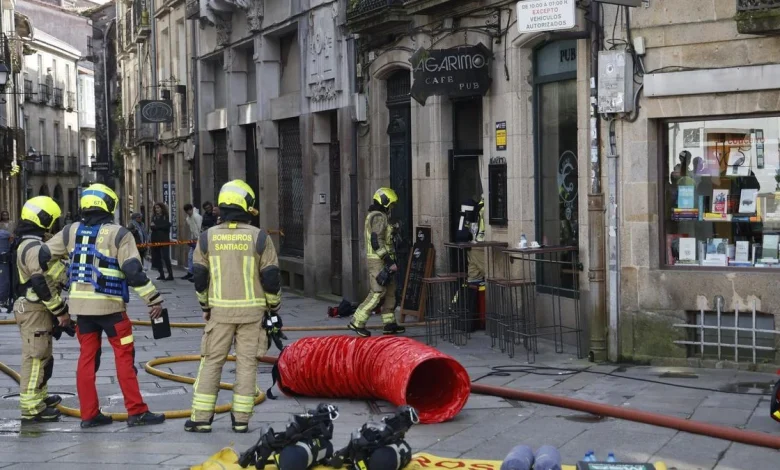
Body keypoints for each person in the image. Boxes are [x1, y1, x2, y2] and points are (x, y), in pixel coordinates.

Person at [37, 183, 166, 428]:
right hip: (112, 310)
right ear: (109, 204)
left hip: (81, 312)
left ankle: (89, 414)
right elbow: (132, 271)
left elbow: (43, 255)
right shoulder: (119, 233)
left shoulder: (69, 231)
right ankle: (136, 411)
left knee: (86, 359)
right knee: (124, 357)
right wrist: (153, 299)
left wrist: (63, 276)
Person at [184, 179, 282, 434]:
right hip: (253, 313)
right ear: (247, 207)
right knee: (247, 365)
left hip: (219, 312)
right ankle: (241, 420)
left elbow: (200, 277)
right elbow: (271, 278)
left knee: (211, 362)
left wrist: (205, 305)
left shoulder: (207, 238)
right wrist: (273, 307)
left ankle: (202, 419)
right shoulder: (260, 237)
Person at [12, 196, 70, 422]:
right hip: (34, 308)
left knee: (44, 354)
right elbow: (39, 282)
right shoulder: (32, 246)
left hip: (37, 309)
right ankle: (32, 407)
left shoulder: (30, 242)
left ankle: (40, 396)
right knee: (35, 357)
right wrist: (60, 311)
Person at [348, 188, 406, 337]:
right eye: (390, 204)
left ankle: (389, 323)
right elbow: (376, 240)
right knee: (378, 292)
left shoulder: (377, 216)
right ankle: (357, 322)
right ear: (384, 201)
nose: (391, 207)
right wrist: (387, 260)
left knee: (391, 291)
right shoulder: (379, 217)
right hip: (379, 261)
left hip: (385, 259)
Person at [150, 202, 173, 281]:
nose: (157, 210)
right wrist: (157, 227)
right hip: (155, 239)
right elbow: (152, 227)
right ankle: (161, 274)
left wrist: (156, 226)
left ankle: (170, 274)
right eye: (156, 208)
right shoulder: (154, 217)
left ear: (162, 208)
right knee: (157, 257)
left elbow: (166, 225)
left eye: (158, 208)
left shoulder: (165, 216)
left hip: (164, 239)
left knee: (166, 257)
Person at [182, 203, 202, 282]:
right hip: (194, 239)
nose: (188, 213)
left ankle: (194, 274)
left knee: (196, 257)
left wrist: (199, 238)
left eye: (189, 211)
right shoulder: (188, 218)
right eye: (187, 212)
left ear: (191, 209)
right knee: (191, 256)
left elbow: (200, 227)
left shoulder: (197, 217)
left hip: (199, 239)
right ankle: (191, 272)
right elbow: (191, 229)